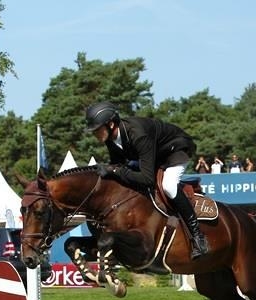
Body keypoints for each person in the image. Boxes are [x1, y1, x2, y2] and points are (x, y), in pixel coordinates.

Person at [85, 102, 208, 260]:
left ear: (110, 124)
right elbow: (118, 164)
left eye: (97, 129)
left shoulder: (138, 134)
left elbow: (146, 178)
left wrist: (115, 170)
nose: (94, 134)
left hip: (175, 150)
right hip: (155, 155)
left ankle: (198, 236)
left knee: (168, 186)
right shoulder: (111, 139)